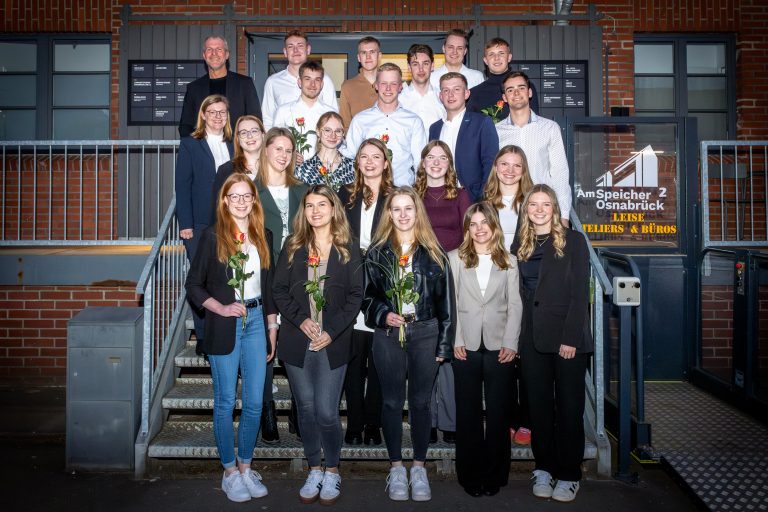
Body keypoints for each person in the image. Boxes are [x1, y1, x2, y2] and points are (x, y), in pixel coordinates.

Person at [185, 173, 278, 503]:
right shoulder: (212, 236)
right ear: (224, 201)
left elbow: (268, 287)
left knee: (254, 402)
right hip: (225, 324)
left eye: (246, 196)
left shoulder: (263, 235)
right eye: (234, 196)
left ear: (254, 201)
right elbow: (193, 285)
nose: (240, 202)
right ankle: (228, 472)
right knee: (226, 400)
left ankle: (245, 466)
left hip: (256, 320)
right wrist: (221, 308)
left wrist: (272, 327)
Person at [364, 187, 456, 502]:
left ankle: (418, 467)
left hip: (426, 332)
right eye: (397, 209)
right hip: (388, 335)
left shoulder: (435, 252)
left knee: (421, 403)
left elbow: (447, 305)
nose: (403, 215)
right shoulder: (377, 252)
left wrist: (444, 345)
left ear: (418, 212)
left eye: (409, 208)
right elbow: (367, 297)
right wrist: (382, 314)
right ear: (389, 214)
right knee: (391, 402)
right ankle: (396, 468)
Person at [272, 185, 363, 505]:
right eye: (310, 205)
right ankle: (314, 468)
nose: (315, 211)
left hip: (332, 342)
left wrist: (332, 331)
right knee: (307, 409)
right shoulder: (293, 245)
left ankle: (333, 469)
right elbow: (279, 290)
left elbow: (356, 296)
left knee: (326, 410)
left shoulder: (348, 247)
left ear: (333, 208)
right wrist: (301, 321)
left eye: (322, 204)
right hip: (298, 340)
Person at [510, 184, 593, 503]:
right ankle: (544, 468)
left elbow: (579, 294)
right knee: (539, 408)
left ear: (555, 208)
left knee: (569, 408)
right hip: (531, 336)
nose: (540, 210)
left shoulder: (574, 241)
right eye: (533, 204)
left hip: (566, 337)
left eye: (546, 204)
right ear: (526, 210)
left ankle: (569, 474)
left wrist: (570, 338)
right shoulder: (520, 242)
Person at [449, 202, 522, 497]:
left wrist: (511, 342)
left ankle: (495, 475)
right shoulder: (454, 258)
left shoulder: (510, 261)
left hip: (499, 346)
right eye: (473, 224)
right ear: (467, 228)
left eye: (484, 223)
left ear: (494, 225)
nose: (479, 229)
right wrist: (455, 339)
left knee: (498, 414)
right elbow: (451, 303)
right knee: (467, 414)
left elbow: (515, 304)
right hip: (464, 345)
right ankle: (469, 475)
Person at [337, 138, 394, 446]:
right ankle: (355, 423)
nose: (370, 162)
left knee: (380, 361)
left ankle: (373, 424)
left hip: (383, 284)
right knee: (354, 360)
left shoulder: (395, 196)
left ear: (385, 163)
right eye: (364, 157)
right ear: (357, 162)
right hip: (351, 280)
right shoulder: (344, 194)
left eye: (376, 157)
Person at [413, 140, 471, 444]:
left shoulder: (461, 195)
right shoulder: (414, 194)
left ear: (449, 164)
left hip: (453, 272)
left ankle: (449, 420)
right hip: (421, 275)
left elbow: (470, 233)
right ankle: (428, 420)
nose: (436, 162)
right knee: (425, 347)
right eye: (430, 157)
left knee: (447, 347)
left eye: (442, 158)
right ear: (422, 163)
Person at [256, 127, 308, 438]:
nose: (284, 155)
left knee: (298, 340)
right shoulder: (252, 191)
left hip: (297, 276)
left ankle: (299, 408)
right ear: (266, 150)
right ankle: (267, 409)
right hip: (263, 273)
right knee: (264, 345)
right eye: (278, 149)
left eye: (289, 151)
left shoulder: (302, 190)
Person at [176, 94, 234, 355]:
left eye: (222, 112)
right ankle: (202, 335)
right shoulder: (191, 144)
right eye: (212, 112)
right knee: (200, 280)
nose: (217, 117)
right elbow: (182, 185)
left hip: (229, 222)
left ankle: (224, 330)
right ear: (203, 115)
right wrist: (186, 223)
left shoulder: (234, 144)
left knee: (225, 279)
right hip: (199, 224)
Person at [496, 72, 571, 226]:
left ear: (529, 92)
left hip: (541, 209)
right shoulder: (496, 131)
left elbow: (560, 173)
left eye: (521, 88)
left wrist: (564, 215)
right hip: (507, 210)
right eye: (510, 90)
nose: (516, 93)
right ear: (504, 97)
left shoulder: (550, 128)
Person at [343, 63, 426, 187]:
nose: (388, 89)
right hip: (368, 190)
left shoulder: (414, 121)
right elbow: (351, 157)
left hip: (402, 191)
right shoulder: (360, 120)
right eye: (383, 83)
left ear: (400, 87)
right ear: (376, 85)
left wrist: (418, 192)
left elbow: (420, 162)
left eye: (393, 84)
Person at [429, 72, 499, 202]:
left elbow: (491, 162)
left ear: (466, 94)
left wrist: (482, 196)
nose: (450, 95)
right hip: (440, 198)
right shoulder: (434, 128)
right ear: (440, 96)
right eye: (446, 90)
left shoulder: (482, 123)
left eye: (456, 89)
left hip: (473, 199)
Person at [179, 35, 261, 137]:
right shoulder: (194, 88)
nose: (214, 53)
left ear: (227, 55)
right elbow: (185, 126)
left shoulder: (244, 84)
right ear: (204, 55)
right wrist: (197, 145)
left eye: (219, 49)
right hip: (204, 146)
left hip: (236, 145)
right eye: (209, 49)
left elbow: (255, 121)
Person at [261, 31, 338, 129]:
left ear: (308, 50)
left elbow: (333, 116)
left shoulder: (324, 80)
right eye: (290, 46)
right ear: (285, 52)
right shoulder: (273, 82)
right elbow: (267, 119)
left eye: (300, 46)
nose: (295, 50)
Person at [270, 61, 338, 163]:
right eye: (307, 79)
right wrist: (291, 154)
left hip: (323, 169)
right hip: (291, 169)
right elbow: (274, 143)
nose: (312, 84)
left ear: (322, 84)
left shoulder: (331, 113)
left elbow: (338, 143)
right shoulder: (283, 111)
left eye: (317, 80)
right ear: (299, 82)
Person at [210, 115, 265, 221]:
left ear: (263, 135)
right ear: (238, 139)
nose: (249, 136)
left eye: (254, 131)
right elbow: (217, 211)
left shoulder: (275, 168)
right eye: (243, 133)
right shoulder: (225, 171)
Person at [467, 38, 539, 117]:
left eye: (501, 53)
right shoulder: (474, 94)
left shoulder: (524, 87)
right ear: (486, 60)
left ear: (509, 57)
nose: (496, 58)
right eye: (491, 54)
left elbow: (535, 119)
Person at [483, 145, 534, 252]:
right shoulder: (482, 203)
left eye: (517, 166)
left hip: (526, 259)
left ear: (523, 170)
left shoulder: (533, 202)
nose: (510, 170)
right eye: (504, 164)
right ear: (496, 167)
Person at [295, 111, 355, 190]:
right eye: (327, 130)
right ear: (318, 132)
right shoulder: (304, 169)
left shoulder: (353, 167)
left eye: (338, 131)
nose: (333, 136)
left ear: (343, 134)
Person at [398, 44, 445, 140]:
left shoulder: (443, 98)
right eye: (415, 64)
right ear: (409, 67)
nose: (421, 69)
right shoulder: (399, 100)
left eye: (425, 63)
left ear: (432, 66)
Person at [339, 36, 381, 128]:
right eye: (364, 53)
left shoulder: (390, 84)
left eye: (372, 52)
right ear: (359, 58)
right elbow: (345, 125)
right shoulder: (348, 87)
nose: (368, 57)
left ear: (379, 56)